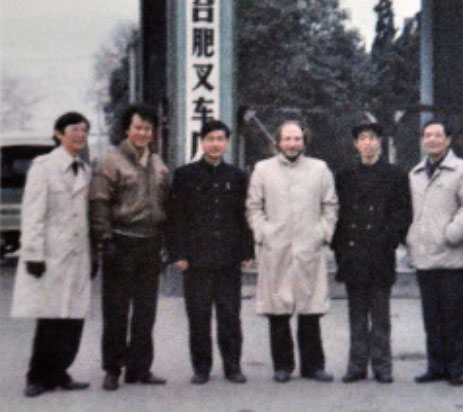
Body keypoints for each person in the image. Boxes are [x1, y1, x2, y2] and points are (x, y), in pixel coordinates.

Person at [246, 120, 338, 383]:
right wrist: (264, 233)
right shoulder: (263, 170)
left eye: (297, 139)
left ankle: (313, 366)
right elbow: (254, 207)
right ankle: (282, 366)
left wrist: (322, 233)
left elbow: (330, 205)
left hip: (309, 246)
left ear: (304, 142)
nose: (292, 144)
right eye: (287, 139)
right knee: (278, 310)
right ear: (278, 142)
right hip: (276, 247)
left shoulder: (319, 169)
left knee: (310, 309)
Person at [11, 112, 94, 397]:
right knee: (49, 318)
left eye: (84, 130)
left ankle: (60, 372)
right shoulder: (44, 167)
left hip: (78, 255)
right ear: (58, 134)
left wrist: (93, 254)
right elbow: (32, 212)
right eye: (74, 129)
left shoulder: (84, 169)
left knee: (73, 318)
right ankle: (36, 376)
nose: (80, 135)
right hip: (52, 254)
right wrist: (33, 253)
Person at [89, 104, 171, 391]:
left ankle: (140, 368)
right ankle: (112, 368)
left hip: (150, 242)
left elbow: (165, 204)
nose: (142, 133)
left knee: (146, 311)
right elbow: (99, 201)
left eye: (148, 128)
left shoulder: (158, 163)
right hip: (121, 241)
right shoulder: (111, 161)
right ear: (127, 129)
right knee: (117, 310)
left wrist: (165, 244)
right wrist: (105, 239)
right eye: (138, 127)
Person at [167, 120, 254, 385]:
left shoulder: (237, 176)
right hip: (196, 259)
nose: (215, 144)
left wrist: (247, 251)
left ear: (226, 143)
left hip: (228, 258)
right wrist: (178, 253)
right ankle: (201, 368)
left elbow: (244, 217)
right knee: (199, 315)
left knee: (230, 315)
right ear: (202, 142)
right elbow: (176, 217)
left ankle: (233, 366)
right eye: (210, 139)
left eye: (220, 139)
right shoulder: (185, 175)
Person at [332, 117, 411, 384]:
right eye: (363, 139)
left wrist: (388, 240)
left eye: (372, 139)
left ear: (380, 143)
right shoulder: (344, 175)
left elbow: (402, 213)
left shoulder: (395, 175)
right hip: (353, 253)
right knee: (356, 313)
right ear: (356, 144)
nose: (368, 143)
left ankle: (382, 365)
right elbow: (338, 213)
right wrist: (340, 248)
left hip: (380, 252)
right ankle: (356, 366)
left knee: (380, 315)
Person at [406, 119, 463, 386]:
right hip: (424, 255)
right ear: (422, 140)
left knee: (453, 316)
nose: (432, 140)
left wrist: (452, 233)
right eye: (427, 135)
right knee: (431, 316)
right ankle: (435, 366)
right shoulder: (415, 173)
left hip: (452, 256)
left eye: (438, 135)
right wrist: (411, 238)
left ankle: (455, 369)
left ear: (448, 140)